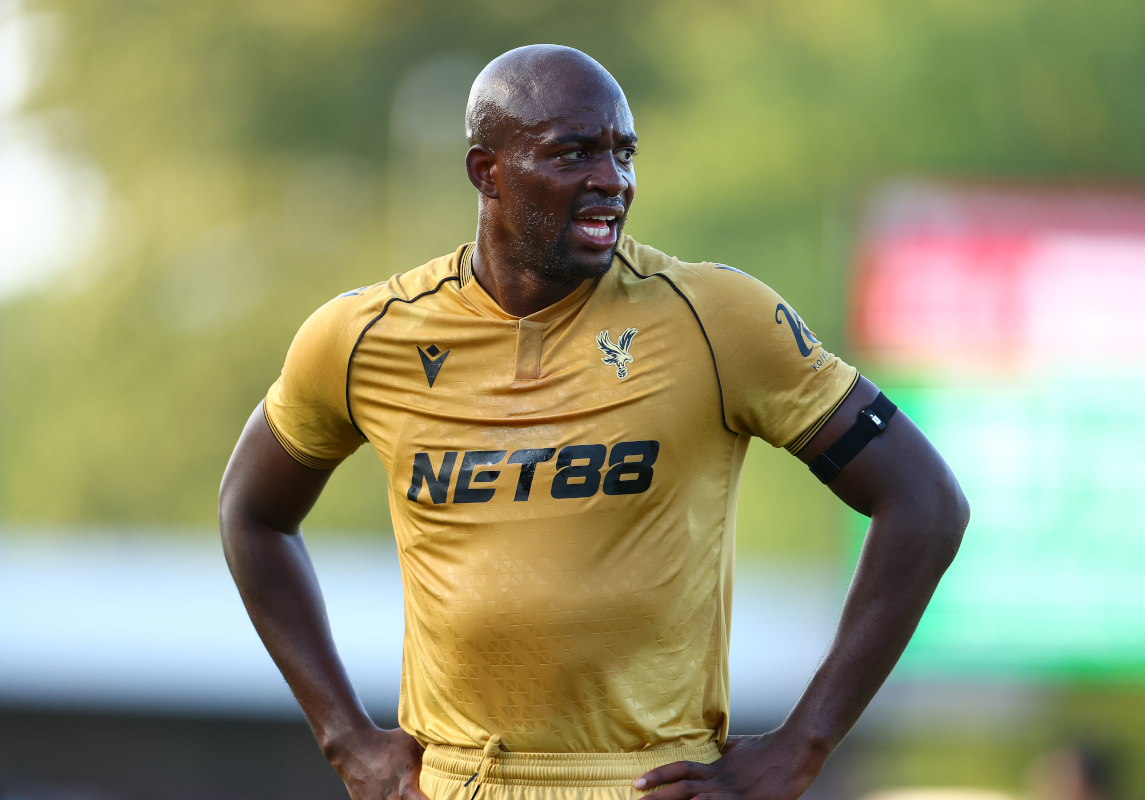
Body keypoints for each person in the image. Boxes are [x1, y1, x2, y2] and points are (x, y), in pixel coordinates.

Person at [219, 44, 969, 800]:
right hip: (454, 783)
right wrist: (347, 739)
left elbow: (926, 501)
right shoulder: (363, 337)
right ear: (488, 172)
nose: (612, 181)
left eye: (624, 153)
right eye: (573, 153)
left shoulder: (717, 319)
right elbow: (252, 514)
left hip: (645, 781)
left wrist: (804, 745)